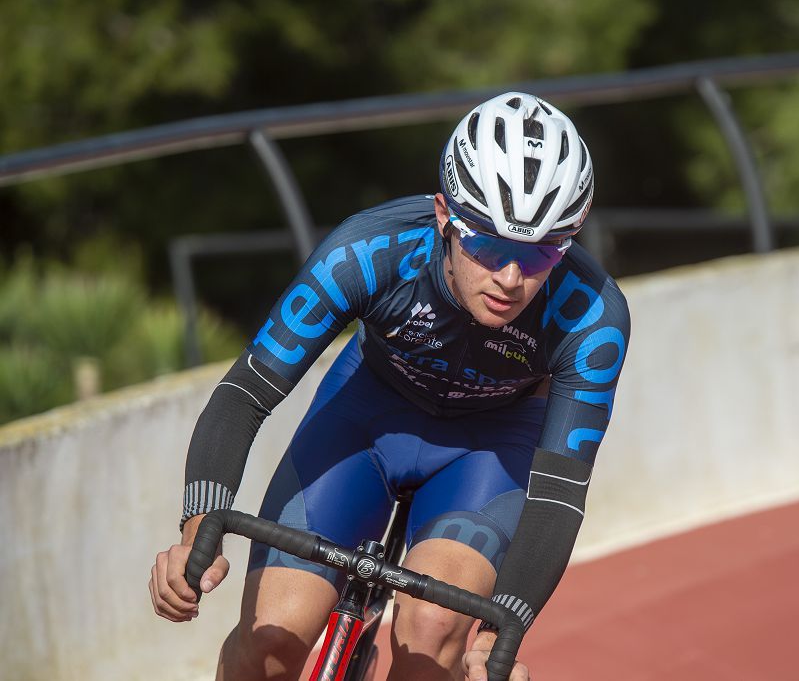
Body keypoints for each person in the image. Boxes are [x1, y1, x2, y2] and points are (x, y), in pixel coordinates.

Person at [149, 91, 630, 681]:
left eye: (539, 255)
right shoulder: (368, 251)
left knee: (433, 638)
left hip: (488, 447)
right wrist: (199, 527)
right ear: (443, 214)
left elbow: (559, 494)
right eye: (488, 244)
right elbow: (245, 395)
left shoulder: (593, 316)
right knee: (266, 648)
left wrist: (498, 632)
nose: (510, 277)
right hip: (366, 420)